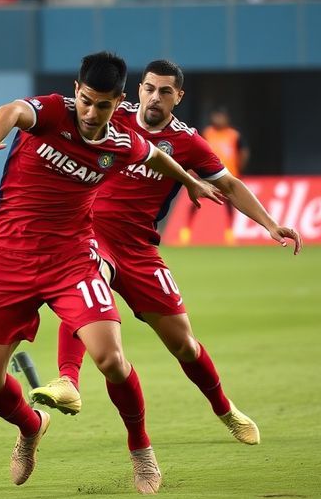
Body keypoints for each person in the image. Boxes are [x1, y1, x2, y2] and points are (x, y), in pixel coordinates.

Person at [0, 51, 223, 494]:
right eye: (85, 100)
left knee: (111, 359)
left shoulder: (119, 142)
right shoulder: (49, 111)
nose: (90, 112)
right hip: (8, 260)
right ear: (75, 91)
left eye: (102, 105)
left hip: (72, 260)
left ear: (117, 101)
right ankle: (31, 427)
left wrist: (190, 180)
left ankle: (141, 451)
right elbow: (7, 111)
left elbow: (155, 158)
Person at [30, 60, 302, 450]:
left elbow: (227, 182)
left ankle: (225, 409)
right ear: (137, 89)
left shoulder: (187, 142)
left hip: (140, 249)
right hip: (90, 235)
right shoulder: (110, 115)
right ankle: (68, 380)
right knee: (91, 283)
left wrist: (270, 224)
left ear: (179, 96)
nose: (155, 97)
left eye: (165, 91)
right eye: (150, 88)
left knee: (185, 345)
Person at [180, 105, 248, 245]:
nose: (218, 119)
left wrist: (239, 168)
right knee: (195, 201)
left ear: (226, 118)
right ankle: (186, 233)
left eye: (221, 116)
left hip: (229, 175)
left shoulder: (233, 135)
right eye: (216, 116)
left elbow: (243, 152)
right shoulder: (207, 133)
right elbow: (197, 151)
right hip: (208, 175)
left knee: (230, 205)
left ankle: (230, 235)